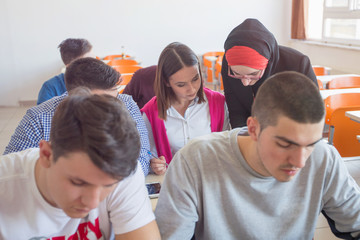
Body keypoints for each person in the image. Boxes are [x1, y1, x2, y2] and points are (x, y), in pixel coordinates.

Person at [155, 71, 360, 239]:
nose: (300, 161)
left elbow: (355, 223)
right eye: (284, 144)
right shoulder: (194, 161)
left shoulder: (324, 157)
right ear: (253, 129)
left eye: (311, 145)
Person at [0, 89, 160, 239]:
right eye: (78, 182)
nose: (92, 203)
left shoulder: (122, 172)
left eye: (107, 186)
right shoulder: (5, 187)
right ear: (46, 155)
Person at [4, 57, 152, 176]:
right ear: (74, 97)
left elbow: (142, 157)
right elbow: (12, 168)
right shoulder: (38, 118)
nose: (112, 107)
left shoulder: (126, 104)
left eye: (115, 97)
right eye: (102, 102)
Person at [141, 42, 230, 175]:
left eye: (195, 78)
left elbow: (227, 147)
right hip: (175, 184)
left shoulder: (219, 103)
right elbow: (149, 156)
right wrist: (154, 165)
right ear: (166, 82)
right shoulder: (150, 113)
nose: (192, 88)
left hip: (213, 179)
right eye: (181, 85)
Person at [221, 18, 318, 128]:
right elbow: (236, 111)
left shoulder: (298, 65)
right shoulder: (229, 64)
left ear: (268, 63)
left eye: (253, 74)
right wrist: (244, 139)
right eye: (237, 73)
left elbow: (312, 111)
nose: (245, 83)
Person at [37, 38, 95, 105]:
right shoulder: (50, 88)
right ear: (70, 66)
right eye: (87, 62)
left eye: (94, 59)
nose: (94, 65)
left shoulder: (101, 81)